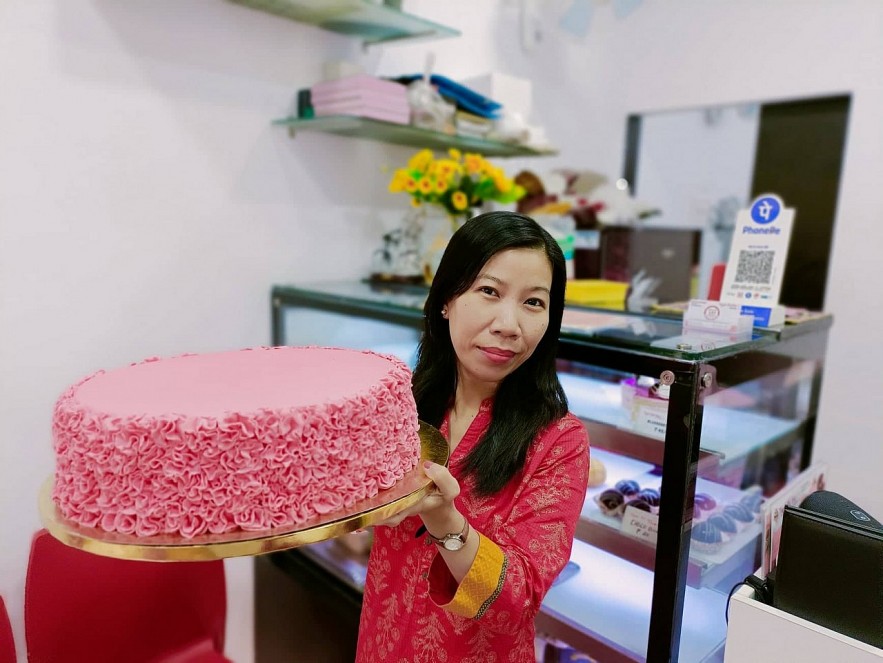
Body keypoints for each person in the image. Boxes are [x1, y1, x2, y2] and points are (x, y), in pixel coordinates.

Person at [355, 211, 591, 662]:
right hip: (382, 639)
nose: (509, 324)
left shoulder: (559, 442)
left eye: (534, 302)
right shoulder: (405, 401)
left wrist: (445, 520)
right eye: (489, 291)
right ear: (447, 298)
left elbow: (519, 600)